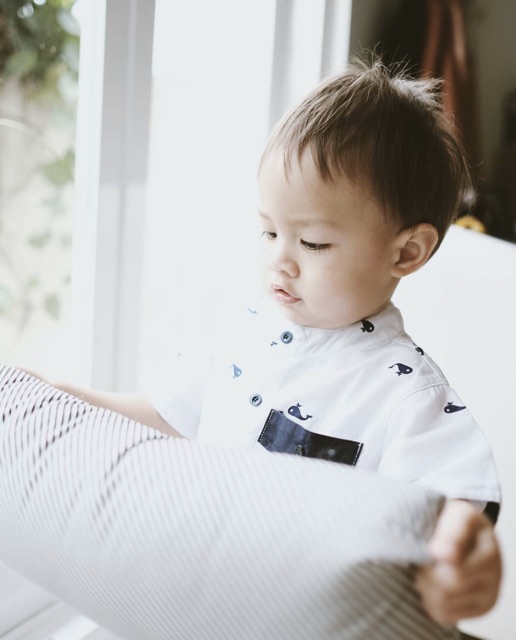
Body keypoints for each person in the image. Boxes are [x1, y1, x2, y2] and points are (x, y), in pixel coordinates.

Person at [30, 59, 502, 627]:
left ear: (405, 253)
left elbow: (455, 507)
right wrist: (59, 397)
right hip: (195, 598)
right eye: (270, 231)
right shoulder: (245, 330)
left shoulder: (405, 394)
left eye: (313, 242)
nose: (280, 258)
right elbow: (163, 417)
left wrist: (460, 556)